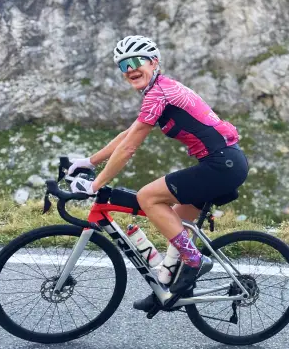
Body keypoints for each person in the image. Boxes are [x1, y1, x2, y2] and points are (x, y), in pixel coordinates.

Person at [68, 35, 249, 311]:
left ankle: (196, 262)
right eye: (122, 65)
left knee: (147, 197)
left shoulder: (159, 93)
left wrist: (95, 186)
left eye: (135, 61)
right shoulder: (159, 91)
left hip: (221, 164)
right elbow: (127, 135)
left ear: (154, 62)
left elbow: (129, 148)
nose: (129, 69)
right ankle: (167, 287)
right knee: (175, 222)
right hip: (225, 164)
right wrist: (89, 162)